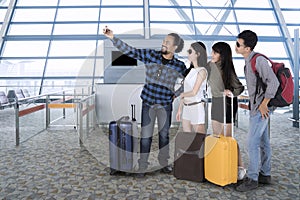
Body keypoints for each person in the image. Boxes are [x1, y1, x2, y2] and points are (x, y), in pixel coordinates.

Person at [103, 26, 187, 177]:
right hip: (147, 102)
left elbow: (188, 81)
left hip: (165, 105)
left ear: (175, 47)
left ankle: (164, 164)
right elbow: (131, 51)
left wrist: (177, 94)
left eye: (167, 42)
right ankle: (142, 165)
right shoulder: (151, 55)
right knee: (146, 136)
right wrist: (113, 38)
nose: (163, 43)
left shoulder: (179, 65)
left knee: (164, 136)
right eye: (163, 40)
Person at [235, 30, 279, 192]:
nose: (236, 47)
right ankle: (265, 174)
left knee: (252, 143)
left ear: (247, 48)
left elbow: (273, 83)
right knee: (263, 141)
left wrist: (264, 103)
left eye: (239, 44)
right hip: (258, 107)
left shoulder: (258, 60)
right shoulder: (249, 61)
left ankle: (253, 178)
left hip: (262, 109)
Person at [206, 41, 246, 180]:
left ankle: (241, 167)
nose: (212, 55)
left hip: (227, 102)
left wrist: (231, 92)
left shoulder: (227, 70)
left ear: (222, 55)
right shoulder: (210, 66)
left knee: (228, 138)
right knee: (217, 136)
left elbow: (240, 88)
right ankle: (222, 164)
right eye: (212, 52)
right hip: (216, 101)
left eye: (215, 52)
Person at [176, 42, 208, 133]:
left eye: (190, 51)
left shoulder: (202, 71)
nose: (188, 54)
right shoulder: (191, 71)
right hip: (186, 107)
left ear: (197, 54)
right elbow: (187, 91)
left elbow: (194, 92)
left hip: (196, 107)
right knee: (187, 138)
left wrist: (181, 94)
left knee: (199, 139)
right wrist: (180, 109)